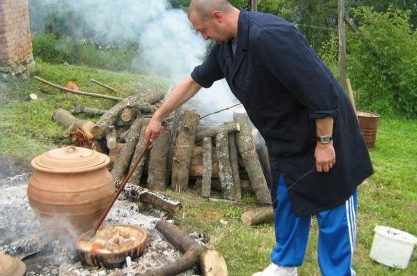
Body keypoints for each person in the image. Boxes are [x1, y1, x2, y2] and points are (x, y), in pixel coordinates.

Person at [144, 0, 374, 275]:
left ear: (218, 17)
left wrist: (324, 143)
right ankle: (284, 267)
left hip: (323, 133)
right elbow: (194, 81)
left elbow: (322, 92)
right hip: (286, 140)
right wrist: (158, 116)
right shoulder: (226, 48)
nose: (203, 37)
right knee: (287, 202)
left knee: (334, 210)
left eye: (203, 30)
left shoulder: (270, 36)